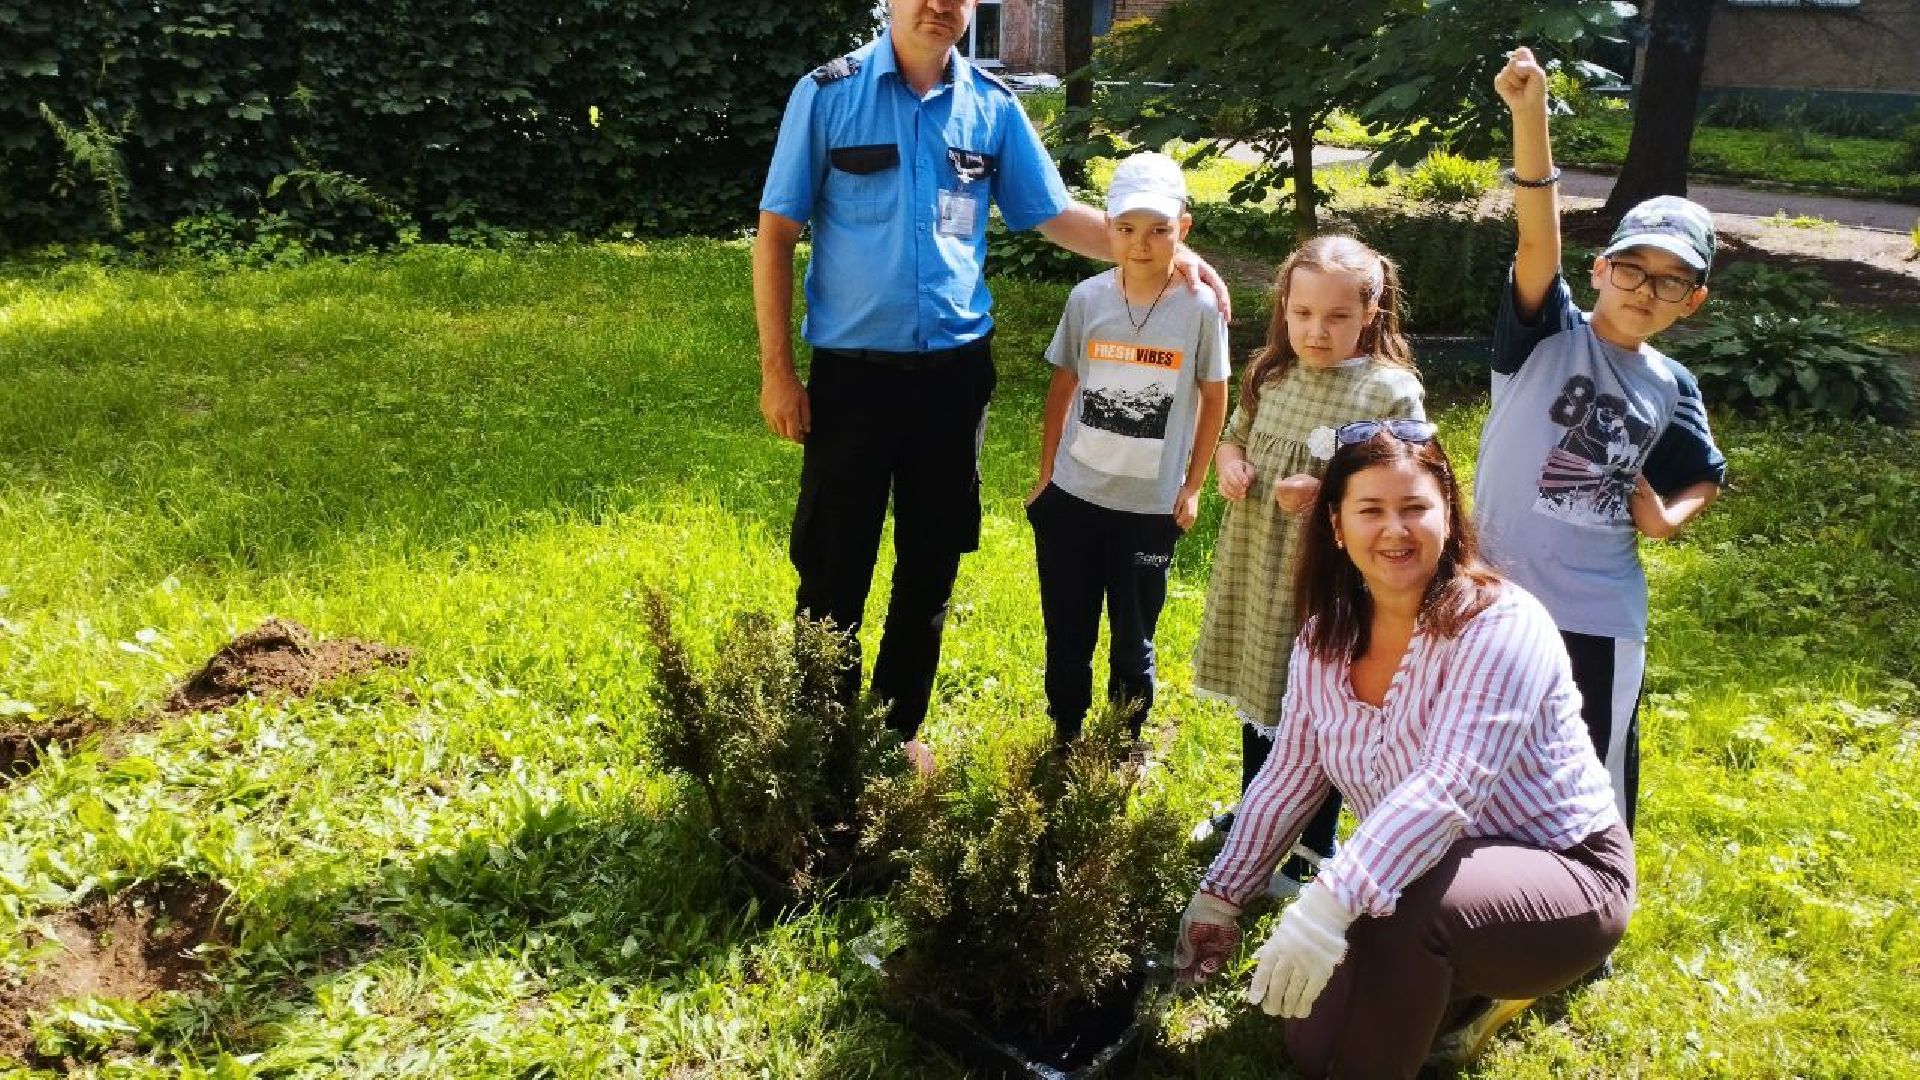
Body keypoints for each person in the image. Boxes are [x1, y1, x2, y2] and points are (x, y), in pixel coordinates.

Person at [753, 0, 1227, 771]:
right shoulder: (828, 94)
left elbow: (1053, 215)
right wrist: (779, 373)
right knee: (835, 561)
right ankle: (822, 739)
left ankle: (894, 732)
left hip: (954, 381)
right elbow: (775, 237)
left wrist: (1164, 258)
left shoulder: (992, 107)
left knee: (931, 562)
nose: (940, 5)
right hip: (852, 382)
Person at [1173, 422, 1633, 1078]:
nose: (1395, 530)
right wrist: (1222, 894)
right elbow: (1292, 775)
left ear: (1448, 514)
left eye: (1415, 507)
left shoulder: (1502, 625)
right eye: (1371, 510)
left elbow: (1449, 786)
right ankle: (1457, 994)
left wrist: (1331, 902)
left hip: (1567, 873)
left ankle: (1479, 978)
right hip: (1427, 869)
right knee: (1311, 1044)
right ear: (1336, 525)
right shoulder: (1322, 640)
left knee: (1402, 917)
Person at [1477, 47, 1727, 830]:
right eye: (1632, 269)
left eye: (1670, 281)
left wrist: (1667, 517)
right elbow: (1534, 241)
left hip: (1600, 613)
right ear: (1598, 270)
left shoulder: (1671, 385)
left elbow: (1703, 474)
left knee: (1592, 762)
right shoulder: (1544, 334)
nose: (1645, 291)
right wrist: (1530, 117)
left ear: (1692, 300)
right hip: (1495, 598)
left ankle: (1595, 910)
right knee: (1484, 752)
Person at [1188, 235, 1424, 895]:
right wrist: (1229, 464)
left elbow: (1407, 486)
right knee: (1262, 696)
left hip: (1332, 584)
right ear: (1285, 309)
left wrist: (1327, 495)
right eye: (1302, 314)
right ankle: (1255, 820)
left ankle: (1310, 849)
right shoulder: (1271, 372)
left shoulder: (1388, 393)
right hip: (1259, 569)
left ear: (1371, 315)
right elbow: (1234, 437)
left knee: (1318, 710)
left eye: (1337, 317)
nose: (1315, 331)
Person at [1026, 152, 1230, 749]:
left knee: (1133, 635)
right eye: (1127, 229)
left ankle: (1123, 741)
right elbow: (1063, 386)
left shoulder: (1198, 311)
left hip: (1149, 511)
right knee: (1068, 629)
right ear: (1107, 228)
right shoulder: (1087, 300)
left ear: (1182, 230)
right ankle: (1065, 736)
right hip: (1074, 501)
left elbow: (1212, 399)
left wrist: (1191, 488)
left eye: (1159, 230)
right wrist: (1047, 480)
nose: (1141, 244)